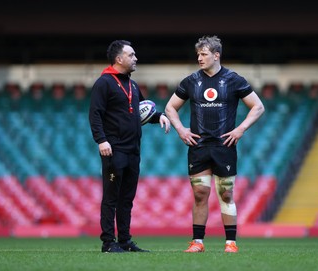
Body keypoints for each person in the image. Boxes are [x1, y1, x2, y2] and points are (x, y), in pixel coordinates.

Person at [165, 35, 265, 253]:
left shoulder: (234, 80)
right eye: (198, 54)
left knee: (226, 194)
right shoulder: (191, 81)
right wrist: (181, 129)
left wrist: (241, 128)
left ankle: (231, 243)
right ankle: (197, 242)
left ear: (216, 55)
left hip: (224, 146)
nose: (200, 58)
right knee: (200, 194)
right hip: (198, 147)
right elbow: (170, 107)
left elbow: (258, 107)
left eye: (204, 54)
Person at [89, 40, 171, 253]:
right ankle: (108, 243)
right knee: (111, 198)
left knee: (126, 199)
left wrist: (160, 116)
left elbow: (143, 111)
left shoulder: (133, 85)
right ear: (119, 59)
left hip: (133, 151)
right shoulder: (104, 83)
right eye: (131, 55)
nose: (136, 58)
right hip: (113, 150)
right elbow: (95, 114)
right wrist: (101, 140)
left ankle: (124, 241)